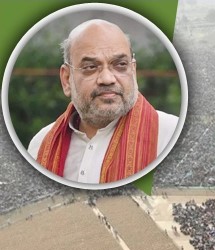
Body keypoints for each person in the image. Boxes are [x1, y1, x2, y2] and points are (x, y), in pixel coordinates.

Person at [28, 19, 178, 184]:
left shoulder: (172, 137)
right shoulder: (41, 146)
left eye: (120, 65)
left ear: (133, 71)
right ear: (66, 79)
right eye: (91, 67)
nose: (107, 79)